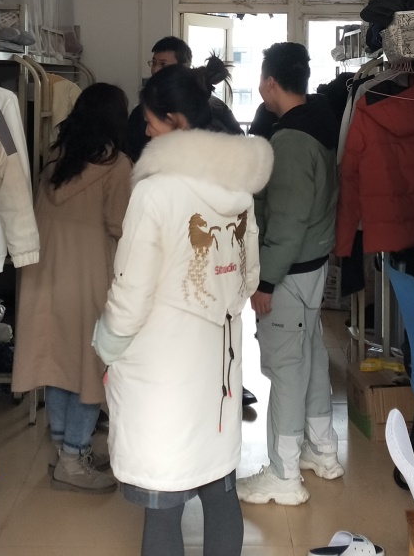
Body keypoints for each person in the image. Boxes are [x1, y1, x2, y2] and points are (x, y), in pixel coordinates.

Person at [93, 57, 273, 556]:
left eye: (151, 122)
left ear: (174, 121)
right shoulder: (238, 187)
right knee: (220, 489)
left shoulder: (155, 193)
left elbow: (131, 292)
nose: (145, 131)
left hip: (162, 368)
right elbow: (248, 275)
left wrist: (109, 344)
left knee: (164, 500)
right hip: (218, 362)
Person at [11, 83, 133, 493]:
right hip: (88, 278)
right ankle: (73, 458)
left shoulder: (56, 158)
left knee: (58, 363)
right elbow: (120, 225)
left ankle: (66, 451)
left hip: (45, 276)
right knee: (88, 367)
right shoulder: (117, 167)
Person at [237, 42, 344, 507]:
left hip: (289, 271)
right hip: (313, 262)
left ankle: (283, 475)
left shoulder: (290, 141)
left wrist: (264, 281)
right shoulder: (320, 121)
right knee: (311, 356)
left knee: (285, 368)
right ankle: (322, 451)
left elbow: (285, 219)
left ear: (269, 82)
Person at [125, 36, 242, 160]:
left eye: (163, 64)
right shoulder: (142, 111)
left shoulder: (215, 107)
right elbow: (132, 153)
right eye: (154, 63)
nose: (155, 69)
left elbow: (237, 141)